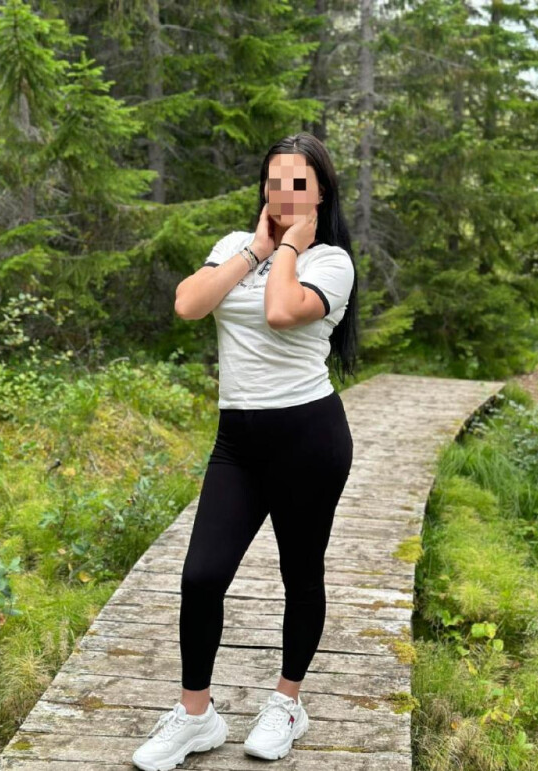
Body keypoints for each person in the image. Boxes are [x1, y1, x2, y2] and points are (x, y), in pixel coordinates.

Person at [132, 131, 359, 771]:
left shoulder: (331, 262)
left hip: (309, 439)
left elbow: (283, 311)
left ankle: (287, 703)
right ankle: (196, 715)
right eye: (273, 180)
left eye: (298, 182)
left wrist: (287, 248)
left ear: (321, 192)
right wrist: (257, 249)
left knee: (300, 574)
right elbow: (188, 304)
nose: (283, 192)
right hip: (238, 442)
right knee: (202, 576)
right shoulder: (235, 245)